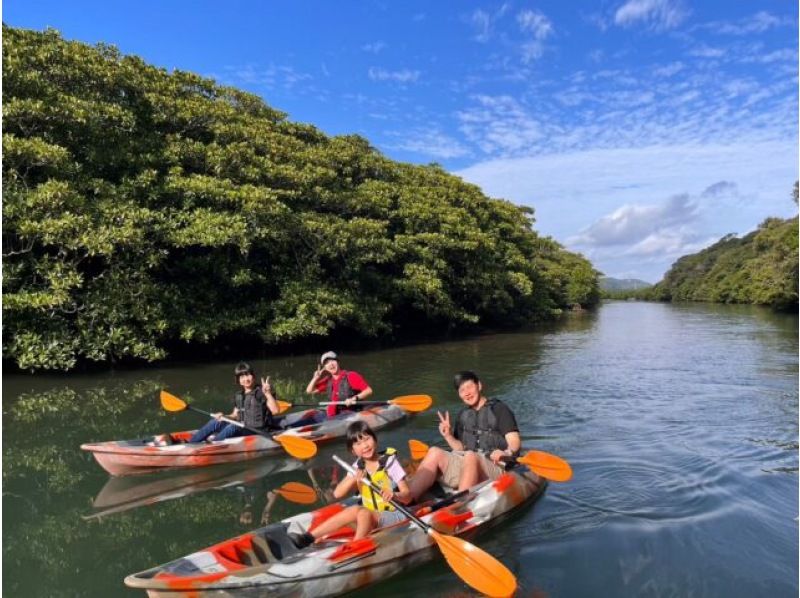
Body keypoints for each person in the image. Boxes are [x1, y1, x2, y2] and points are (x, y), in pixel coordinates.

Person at [289, 421, 411, 548]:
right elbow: (337, 493)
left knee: (363, 513)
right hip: (370, 515)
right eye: (358, 443)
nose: (365, 446)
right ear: (353, 451)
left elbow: (407, 497)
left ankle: (355, 547)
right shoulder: (357, 467)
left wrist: (394, 495)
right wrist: (354, 478)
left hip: (395, 514)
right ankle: (308, 537)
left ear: (375, 439)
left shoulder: (389, 462)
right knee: (353, 510)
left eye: (367, 439)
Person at [407, 371, 521, 500]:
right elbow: (460, 448)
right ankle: (409, 498)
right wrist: (448, 435)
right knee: (434, 451)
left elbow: (514, 440)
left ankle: (459, 503)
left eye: (469, 387)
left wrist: (507, 452)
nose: (467, 393)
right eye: (462, 390)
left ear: (479, 385)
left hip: (497, 466)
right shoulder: (463, 415)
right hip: (469, 463)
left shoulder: (499, 409)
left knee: (471, 455)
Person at [189, 362, 280, 443]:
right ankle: (191, 443)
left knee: (233, 427)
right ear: (238, 380)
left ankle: (211, 446)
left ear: (253, 376)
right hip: (241, 427)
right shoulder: (239, 395)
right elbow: (235, 415)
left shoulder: (261, 392)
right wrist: (224, 416)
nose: (246, 379)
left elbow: (275, 410)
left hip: (257, 430)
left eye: (248, 375)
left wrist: (267, 393)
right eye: (242, 377)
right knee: (216, 422)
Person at [305, 351, 373, 418]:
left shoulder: (351, 376)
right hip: (334, 413)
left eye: (332, 361)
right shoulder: (328, 380)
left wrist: (354, 398)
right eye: (327, 363)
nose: (331, 364)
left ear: (338, 362)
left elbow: (368, 390)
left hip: (351, 412)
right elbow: (309, 391)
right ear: (325, 368)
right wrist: (315, 378)